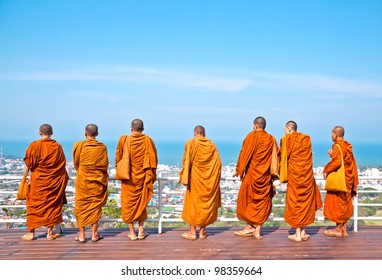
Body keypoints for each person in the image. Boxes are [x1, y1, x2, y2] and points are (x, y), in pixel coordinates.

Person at [233, 116, 278, 239]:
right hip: (265, 177)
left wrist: (238, 170)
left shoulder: (251, 136)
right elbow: (276, 156)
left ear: (256, 126)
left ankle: (249, 226)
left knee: (247, 200)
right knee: (262, 202)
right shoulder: (271, 139)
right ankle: (256, 229)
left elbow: (243, 154)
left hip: (252, 176)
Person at [21, 124, 68, 241]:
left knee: (34, 206)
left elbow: (29, 163)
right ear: (52, 133)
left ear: (39, 133)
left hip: (38, 182)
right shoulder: (57, 146)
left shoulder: (34, 145)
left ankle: (31, 233)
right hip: (53, 182)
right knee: (51, 205)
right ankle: (50, 233)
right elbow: (62, 164)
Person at [279, 121, 323, 242]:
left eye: (284, 129)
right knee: (305, 203)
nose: (284, 132)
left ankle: (298, 234)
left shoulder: (286, 139)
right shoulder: (306, 139)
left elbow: (282, 156)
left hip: (295, 177)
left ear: (289, 129)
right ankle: (303, 232)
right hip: (307, 177)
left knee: (296, 203)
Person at [115, 119, 158, 241]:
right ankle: (141, 230)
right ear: (143, 129)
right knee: (141, 204)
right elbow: (154, 160)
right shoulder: (147, 140)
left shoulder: (124, 140)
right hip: (143, 178)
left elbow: (118, 158)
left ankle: (132, 233)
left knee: (128, 206)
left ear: (131, 128)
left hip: (129, 179)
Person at [179, 125, 222, 240]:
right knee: (205, 205)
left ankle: (192, 232)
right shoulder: (211, 145)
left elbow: (186, 162)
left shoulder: (191, 143)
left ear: (195, 134)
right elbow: (218, 164)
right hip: (209, 181)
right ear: (204, 134)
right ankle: (202, 232)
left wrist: (183, 175)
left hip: (195, 181)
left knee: (193, 205)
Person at [72, 124, 108, 243]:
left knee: (81, 206)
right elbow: (104, 165)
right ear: (97, 134)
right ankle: (94, 234)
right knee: (95, 206)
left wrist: (84, 171)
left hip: (83, 180)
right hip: (96, 181)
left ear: (85, 133)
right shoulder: (102, 147)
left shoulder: (79, 146)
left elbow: (76, 163)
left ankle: (81, 234)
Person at [323, 126, 359, 238]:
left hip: (341, 181)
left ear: (336, 134)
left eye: (332, 133)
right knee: (345, 203)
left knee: (338, 204)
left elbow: (338, 162)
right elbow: (345, 160)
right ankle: (344, 230)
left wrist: (326, 170)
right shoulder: (346, 146)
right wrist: (333, 155)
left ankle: (338, 229)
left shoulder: (337, 146)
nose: (331, 135)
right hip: (348, 179)